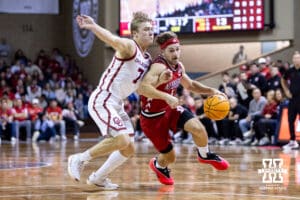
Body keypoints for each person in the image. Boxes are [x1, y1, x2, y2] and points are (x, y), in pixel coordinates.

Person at [67, 12, 154, 189]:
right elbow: (112, 39)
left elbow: (143, 87)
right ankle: (79, 159)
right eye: (146, 30)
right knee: (122, 140)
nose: (150, 32)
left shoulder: (147, 60)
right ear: (135, 34)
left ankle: (98, 177)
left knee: (128, 148)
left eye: (152, 29)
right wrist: (92, 26)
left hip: (117, 104)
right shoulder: (130, 46)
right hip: (103, 99)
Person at [137, 31, 229, 185]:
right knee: (170, 157)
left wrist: (211, 91)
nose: (175, 53)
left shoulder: (179, 66)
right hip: (152, 118)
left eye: (177, 49)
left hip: (169, 109)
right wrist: (166, 94)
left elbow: (191, 85)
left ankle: (205, 155)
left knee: (198, 128)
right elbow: (142, 89)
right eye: (171, 50)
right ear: (163, 51)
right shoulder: (159, 67)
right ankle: (158, 165)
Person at [281, 51, 300, 150]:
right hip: (292, 99)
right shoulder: (290, 71)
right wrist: (286, 91)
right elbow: (283, 80)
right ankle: (292, 141)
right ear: (293, 60)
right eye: (295, 58)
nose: (296, 60)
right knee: (290, 120)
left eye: (298, 58)